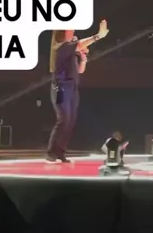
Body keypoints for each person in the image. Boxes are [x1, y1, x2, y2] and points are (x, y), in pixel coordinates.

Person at [47, 20, 109, 163]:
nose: (73, 31)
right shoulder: (60, 47)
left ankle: (60, 151)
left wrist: (83, 59)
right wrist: (98, 36)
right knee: (63, 120)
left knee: (70, 121)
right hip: (60, 88)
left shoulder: (70, 51)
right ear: (63, 32)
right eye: (70, 29)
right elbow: (80, 44)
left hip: (72, 88)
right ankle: (51, 152)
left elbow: (80, 69)